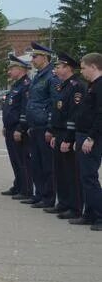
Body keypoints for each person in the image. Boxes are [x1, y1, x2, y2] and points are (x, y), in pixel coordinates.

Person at [44, 52, 86, 219]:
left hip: (70, 134)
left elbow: (74, 115)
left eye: (59, 66)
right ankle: (63, 203)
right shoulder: (62, 85)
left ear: (68, 68)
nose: (56, 69)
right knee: (60, 171)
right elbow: (58, 112)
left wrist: (68, 139)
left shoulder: (77, 86)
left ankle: (75, 207)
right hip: (59, 132)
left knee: (71, 172)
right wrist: (54, 132)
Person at [22, 42, 60, 208]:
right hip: (35, 125)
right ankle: (39, 194)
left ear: (45, 57)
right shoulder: (38, 76)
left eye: (35, 56)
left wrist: (51, 127)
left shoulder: (51, 76)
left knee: (47, 164)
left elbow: (54, 103)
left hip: (45, 125)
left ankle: (49, 197)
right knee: (36, 162)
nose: (32, 59)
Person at [72, 52, 102, 230]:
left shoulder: (100, 86)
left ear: (93, 66)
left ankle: (100, 215)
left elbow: (100, 116)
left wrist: (90, 137)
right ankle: (89, 213)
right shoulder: (92, 85)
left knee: (90, 178)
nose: (81, 71)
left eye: (83, 68)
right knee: (85, 177)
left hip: (93, 138)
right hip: (83, 135)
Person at [0, 54, 33, 201]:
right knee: (15, 159)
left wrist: (20, 128)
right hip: (10, 128)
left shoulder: (26, 86)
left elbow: (25, 110)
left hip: (18, 129)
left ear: (20, 69)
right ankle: (18, 185)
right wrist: (6, 126)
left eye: (11, 69)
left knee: (22, 160)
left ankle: (26, 189)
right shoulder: (16, 85)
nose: (9, 72)